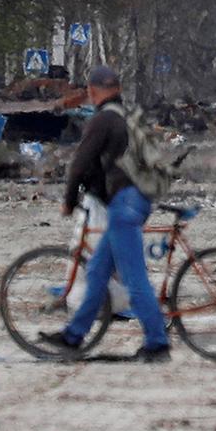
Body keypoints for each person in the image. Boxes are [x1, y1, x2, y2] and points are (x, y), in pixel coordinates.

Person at [33, 66, 170, 362]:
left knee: (134, 279)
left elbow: (79, 165)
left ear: (92, 91)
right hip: (140, 199)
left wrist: (69, 202)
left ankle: (157, 343)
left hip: (125, 204)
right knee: (96, 271)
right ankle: (73, 336)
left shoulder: (102, 120)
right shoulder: (130, 116)